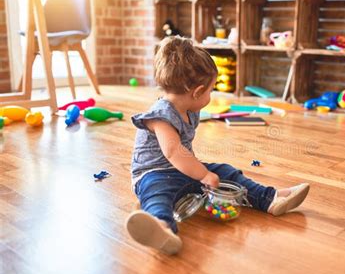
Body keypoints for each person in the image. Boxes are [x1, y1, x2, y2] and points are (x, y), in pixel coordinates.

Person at [126, 36, 310, 255]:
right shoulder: (160, 116)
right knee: (159, 194)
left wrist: (204, 173)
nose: (211, 95)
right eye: (211, 90)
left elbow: (185, 159)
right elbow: (173, 151)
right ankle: (161, 228)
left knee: (225, 172)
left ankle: (271, 198)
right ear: (197, 92)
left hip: (182, 171)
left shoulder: (189, 109)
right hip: (153, 174)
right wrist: (203, 174)